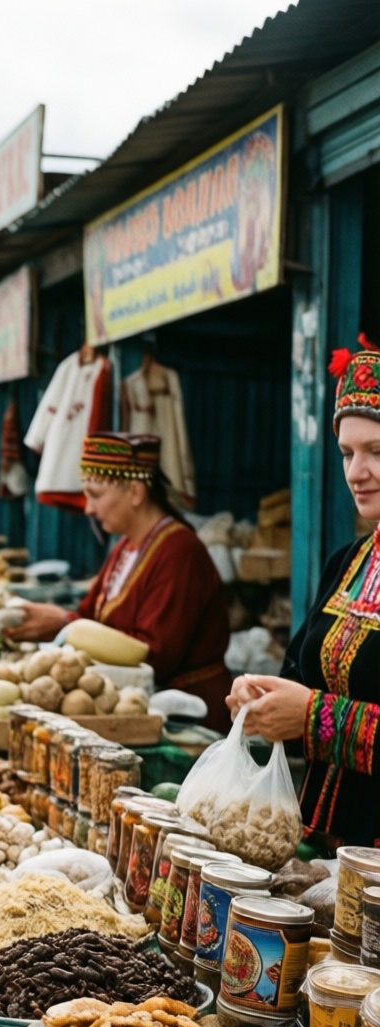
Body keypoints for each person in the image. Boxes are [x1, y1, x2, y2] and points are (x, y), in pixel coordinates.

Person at [229, 339, 380, 844]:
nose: (356, 472)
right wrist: (264, 702)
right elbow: (300, 677)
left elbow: (313, 710)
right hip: (316, 848)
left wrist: (314, 717)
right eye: (347, 453)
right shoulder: (348, 562)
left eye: (376, 452)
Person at [6, 432, 232, 726]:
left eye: (96, 495)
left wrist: (64, 624)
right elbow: (89, 615)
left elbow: (155, 656)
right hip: (133, 707)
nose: (88, 508)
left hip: (189, 716)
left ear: (135, 492)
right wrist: (55, 624)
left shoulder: (180, 552)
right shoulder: (126, 547)